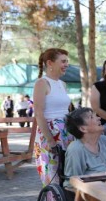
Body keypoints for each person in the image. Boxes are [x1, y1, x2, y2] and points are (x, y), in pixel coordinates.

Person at [33, 48, 74, 187]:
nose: (66, 64)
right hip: (49, 133)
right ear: (50, 63)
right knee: (52, 178)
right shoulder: (42, 83)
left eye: (67, 61)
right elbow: (38, 113)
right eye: (63, 61)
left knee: (67, 176)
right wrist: (50, 140)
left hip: (66, 132)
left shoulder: (63, 84)